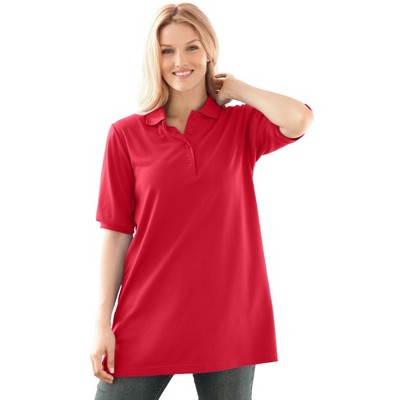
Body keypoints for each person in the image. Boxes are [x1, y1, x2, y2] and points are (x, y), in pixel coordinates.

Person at [90, 2, 313, 399]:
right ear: (155, 58)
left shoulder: (240, 126)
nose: (180, 61)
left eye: (192, 47)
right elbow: (116, 232)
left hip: (229, 318)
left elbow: (299, 119)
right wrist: (100, 323)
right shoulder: (126, 135)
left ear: (210, 50)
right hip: (147, 314)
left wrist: (237, 89)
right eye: (167, 51)